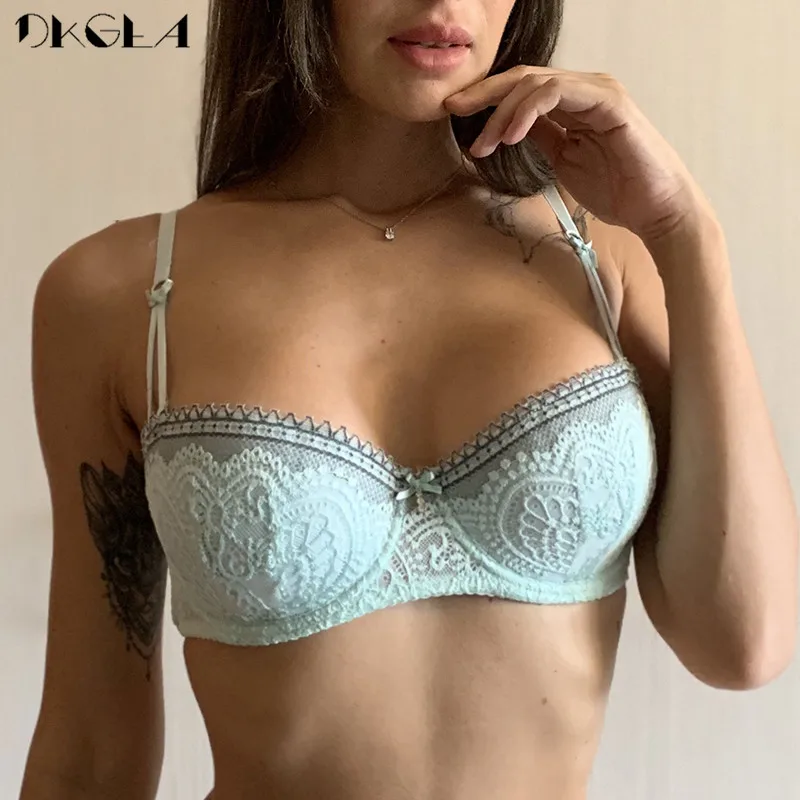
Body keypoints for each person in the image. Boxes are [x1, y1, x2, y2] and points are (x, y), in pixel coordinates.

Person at [20, 1, 798, 799]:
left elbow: (744, 643)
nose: (442, 5)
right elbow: (90, 752)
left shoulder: (606, 266)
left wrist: (686, 232)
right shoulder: (122, 294)